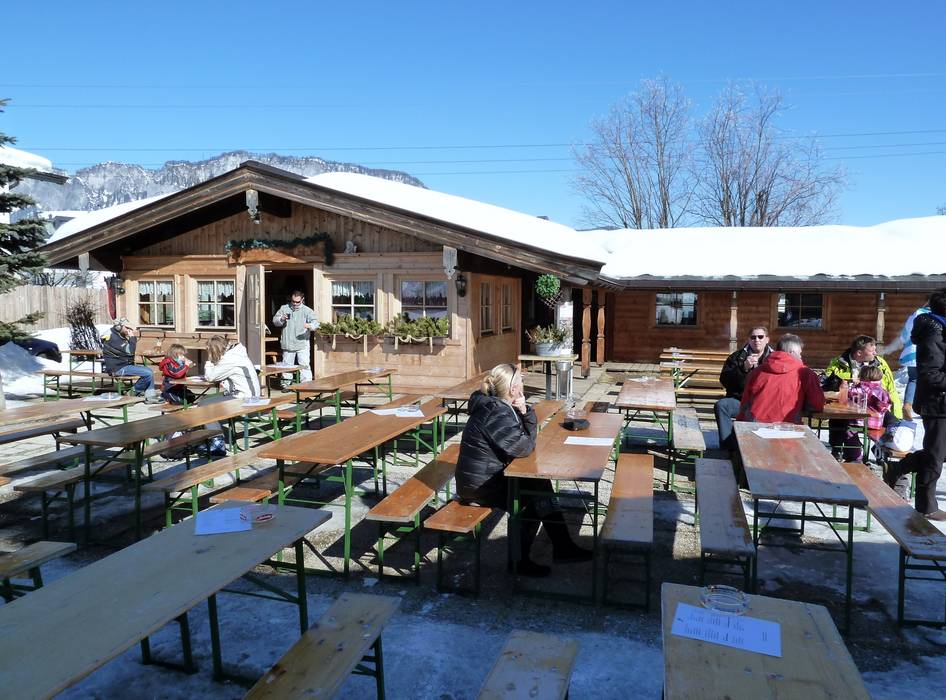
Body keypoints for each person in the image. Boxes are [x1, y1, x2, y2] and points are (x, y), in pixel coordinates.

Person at [455, 363, 591, 577]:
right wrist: (526, 412)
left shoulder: (497, 406)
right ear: (512, 389)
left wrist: (525, 411)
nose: (523, 384)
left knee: (540, 485)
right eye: (521, 381)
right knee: (529, 500)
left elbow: (522, 442)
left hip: (484, 477)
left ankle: (563, 546)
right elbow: (525, 447)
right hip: (479, 486)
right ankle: (519, 562)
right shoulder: (495, 412)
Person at [885, 288, 946, 521]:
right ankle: (926, 507)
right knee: (935, 456)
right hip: (937, 403)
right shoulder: (933, 333)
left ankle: (899, 468)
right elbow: (930, 374)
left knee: (937, 454)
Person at [823, 335, 903, 457]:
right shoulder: (838, 363)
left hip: (874, 407)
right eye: (872, 351)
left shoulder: (880, 364)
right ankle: (838, 450)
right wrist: (847, 382)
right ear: (859, 353)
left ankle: (883, 450)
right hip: (846, 406)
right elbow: (827, 383)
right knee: (838, 419)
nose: (875, 353)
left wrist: (897, 414)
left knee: (895, 424)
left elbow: (891, 390)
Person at [737, 334, 825, 424]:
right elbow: (817, 404)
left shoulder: (757, 372)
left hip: (754, 425)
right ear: (793, 352)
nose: (800, 357)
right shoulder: (805, 373)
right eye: (799, 354)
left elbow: (745, 403)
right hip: (788, 426)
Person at [715, 326, 773, 450]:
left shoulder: (774, 359)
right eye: (753, 337)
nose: (757, 340)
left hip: (766, 404)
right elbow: (725, 381)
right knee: (722, 405)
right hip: (741, 402)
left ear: (767, 339)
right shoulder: (736, 357)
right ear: (748, 339)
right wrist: (744, 368)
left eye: (760, 337)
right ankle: (728, 448)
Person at [880, 301, 931, 420]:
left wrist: (890, 348)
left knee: (913, 379)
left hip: (912, 353)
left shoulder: (915, 314)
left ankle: (907, 405)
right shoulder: (938, 315)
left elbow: (904, 336)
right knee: (930, 381)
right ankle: (926, 407)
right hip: (929, 353)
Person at [841, 364, 893, 462]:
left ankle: (855, 456)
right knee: (850, 429)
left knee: (848, 431)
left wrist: (851, 386)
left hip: (862, 421)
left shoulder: (863, 388)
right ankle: (853, 454)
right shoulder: (881, 389)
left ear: (863, 376)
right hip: (877, 423)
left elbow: (849, 393)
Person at [272, 290, 317, 388]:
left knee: (304, 365)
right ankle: (286, 385)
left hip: (302, 342)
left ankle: (306, 386)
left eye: (298, 302)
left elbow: (316, 324)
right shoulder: (284, 308)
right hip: (288, 342)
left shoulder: (307, 310)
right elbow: (275, 321)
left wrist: (309, 325)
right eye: (293, 301)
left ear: (302, 300)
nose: (295, 304)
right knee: (287, 366)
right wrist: (281, 319)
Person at [101, 318, 155, 395]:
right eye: (127, 328)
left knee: (149, 371)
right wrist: (132, 337)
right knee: (148, 373)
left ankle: (150, 395)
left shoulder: (118, 335)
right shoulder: (114, 338)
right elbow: (130, 351)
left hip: (123, 366)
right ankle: (133, 392)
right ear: (119, 327)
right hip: (118, 369)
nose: (129, 330)